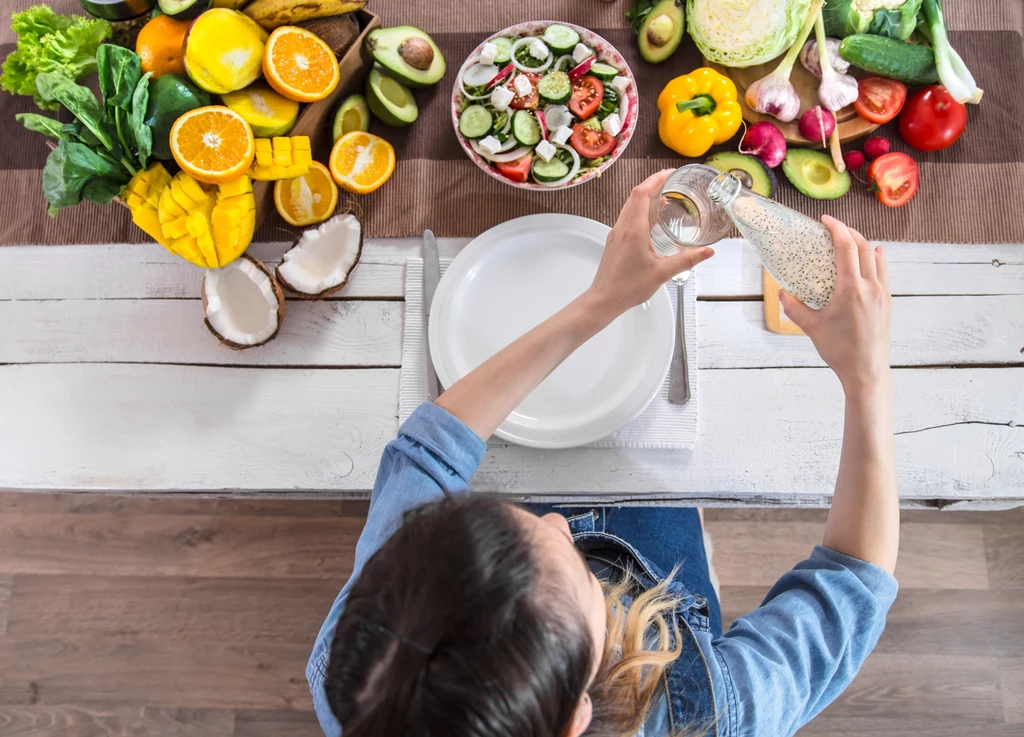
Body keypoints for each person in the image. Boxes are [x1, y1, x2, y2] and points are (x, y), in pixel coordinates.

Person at [306, 170, 899, 737]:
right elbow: (851, 584)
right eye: (570, 563)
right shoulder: (707, 714)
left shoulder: (367, 669)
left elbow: (427, 455)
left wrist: (601, 301)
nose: (559, 520)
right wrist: (867, 375)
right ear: (574, 720)